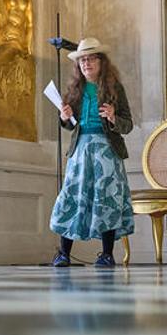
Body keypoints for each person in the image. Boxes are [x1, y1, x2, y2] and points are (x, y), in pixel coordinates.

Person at [50, 38, 135, 268]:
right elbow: (69, 125)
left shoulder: (115, 89)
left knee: (107, 198)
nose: (86, 63)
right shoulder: (74, 90)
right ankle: (64, 254)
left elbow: (128, 124)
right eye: (82, 60)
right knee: (71, 196)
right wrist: (64, 118)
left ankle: (107, 254)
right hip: (80, 151)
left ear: (101, 61)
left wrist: (113, 117)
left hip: (107, 151)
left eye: (91, 59)